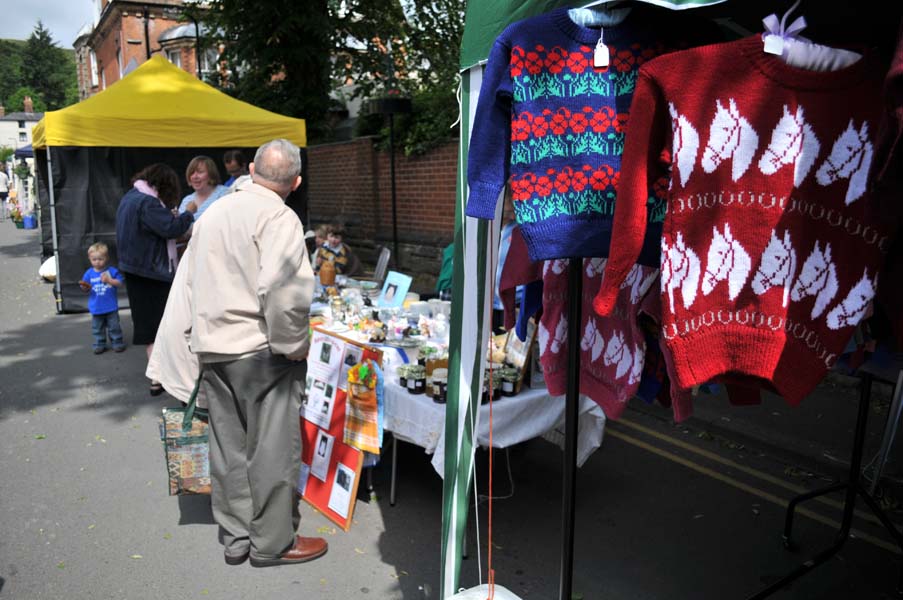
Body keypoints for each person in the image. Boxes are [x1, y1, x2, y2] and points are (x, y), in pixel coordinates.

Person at [184, 138, 327, 568]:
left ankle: (237, 536)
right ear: (296, 182)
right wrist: (293, 347)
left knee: (228, 448)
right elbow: (283, 293)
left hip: (214, 347)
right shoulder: (279, 217)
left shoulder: (214, 212)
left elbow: (189, 281)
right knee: (272, 450)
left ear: (250, 168)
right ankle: (273, 543)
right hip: (259, 349)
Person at [115, 163, 196, 395]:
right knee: (160, 327)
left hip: (135, 270)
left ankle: (156, 378)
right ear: (164, 185)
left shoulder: (131, 197)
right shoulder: (148, 203)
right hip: (150, 273)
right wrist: (189, 211)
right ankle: (160, 378)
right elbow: (170, 228)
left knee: (148, 325)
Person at [78, 242, 125, 354]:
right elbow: (84, 288)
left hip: (111, 306)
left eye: (100, 259)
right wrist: (85, 287)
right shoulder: (89, 273)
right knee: (97, 328)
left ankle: (117, 342)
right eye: (94, 259)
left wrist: (110, 281)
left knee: (114, 326)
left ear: (106, 258)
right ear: (89, 259)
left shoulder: (112, 271)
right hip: (96, 307)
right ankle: (99, 344)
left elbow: (120, 283)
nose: (97, 262)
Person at [178, 156, 230, 220]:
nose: (195, 176)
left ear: (211, 174)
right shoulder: (186, 200)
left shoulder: (225, 194)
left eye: (200, 172)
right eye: (192, 173)